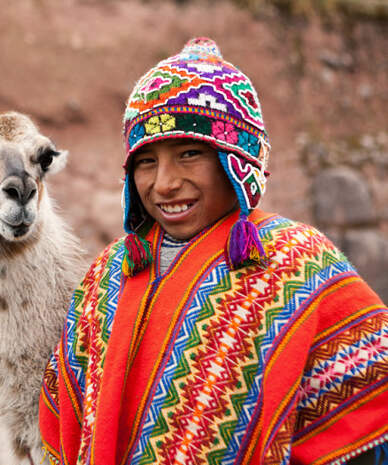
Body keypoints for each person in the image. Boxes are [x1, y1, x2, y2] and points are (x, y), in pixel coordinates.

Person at [39, 38, 388, 465]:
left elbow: (365, 408)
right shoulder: (109, 275)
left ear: (237, 161)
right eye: (146, 161)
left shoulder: (297, 263)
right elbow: (67, 413)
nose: (164, 183)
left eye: (189, 154)